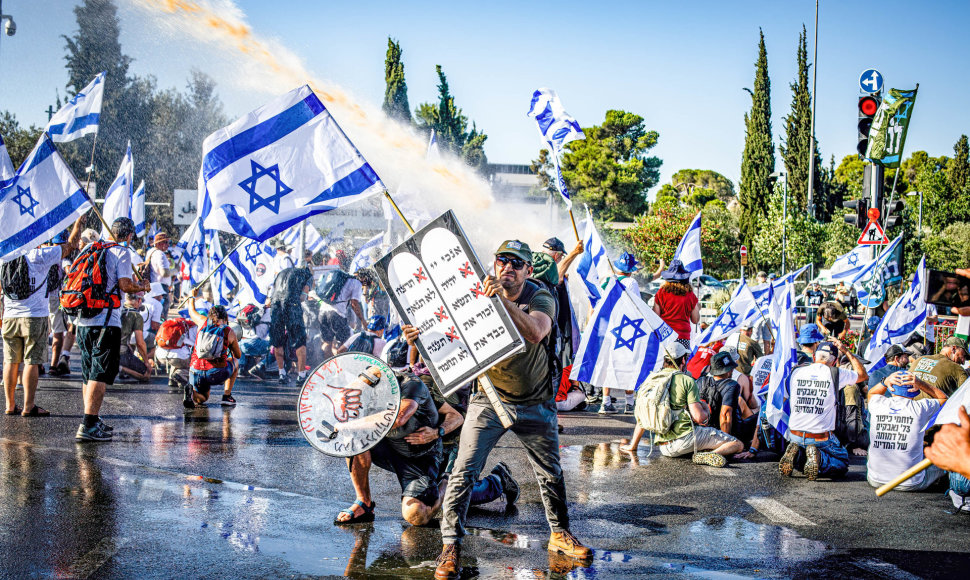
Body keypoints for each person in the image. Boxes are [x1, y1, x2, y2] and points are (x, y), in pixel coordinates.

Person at [409, 240, 590, 580]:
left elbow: (536, 331)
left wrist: (500, 303)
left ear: (528, 271)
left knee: (550, 472)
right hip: (490, 399)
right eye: (502, 261)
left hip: (535, 401)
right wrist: (420, 339)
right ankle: (450, 547)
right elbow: (454, 344)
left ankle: (559, 534)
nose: (507, 267)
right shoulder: (474, 296)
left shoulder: (540, 296)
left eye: (516, 263)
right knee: (463, 472)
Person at [74, 217, 151, 441]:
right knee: (99, 373)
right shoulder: (121, 252)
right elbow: (125, 286)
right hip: (105, 321)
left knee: (88, 373)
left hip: (83, 319)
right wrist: (143, 286)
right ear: (128, 236)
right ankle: (88, 424)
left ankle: (91, 419)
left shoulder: (91, 248)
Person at [3, 217, 82, 416]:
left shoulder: (5, 255)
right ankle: (29, 406)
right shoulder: (39, 255)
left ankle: (10, 405)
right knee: (31, 361)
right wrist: (78, 222)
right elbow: (71, 245)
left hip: (10, 316)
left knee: (10, 361)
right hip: (34, 316)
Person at [620, 343, 743, 465]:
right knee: (737, 444)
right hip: (685, 440)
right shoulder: (686, 380)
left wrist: (633, 445)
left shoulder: (652, 378)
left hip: (664, 447)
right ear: (683, 360)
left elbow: (644, 414)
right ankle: (710, 454)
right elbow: (699, 417)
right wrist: (705, 408)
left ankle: (705, 450)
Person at [780, 340, 868, 480]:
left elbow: (784, 398)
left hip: (794, 433)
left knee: (802, 462)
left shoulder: (795, 372)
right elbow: (863, 375)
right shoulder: (836, 373)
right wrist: (846, 351)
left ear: (814, 357)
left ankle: (798, 454)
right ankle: (820, 458)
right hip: (820, 436)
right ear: (834, 361)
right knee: (842, 462)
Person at [866, 371, 948, 491]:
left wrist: (884, 382)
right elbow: (944, 398)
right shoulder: (920, 408)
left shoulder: (878, 403)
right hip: (911, 483)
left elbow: (872, 393)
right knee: (947, 458)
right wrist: (921, 383)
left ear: (891, 389)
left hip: (875, 480)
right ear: (914, 392)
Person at [185, 299, 240, 408]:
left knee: (202, 398)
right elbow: (238, 355)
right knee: (235, 362)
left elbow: (191, 311)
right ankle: (227, 396)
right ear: (225, 318)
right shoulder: (229, 331)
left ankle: (191, 394)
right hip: (215, 373)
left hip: (195, 372)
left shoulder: (202, 321)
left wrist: (192, 297)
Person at [697, 352, 756, 447]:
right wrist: (726, 441)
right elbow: (725, 414)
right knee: (760, 417)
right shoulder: (731, 385)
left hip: (705, 432)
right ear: (727, 371)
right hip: (729, 433)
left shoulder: (700, 381)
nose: (733, 370)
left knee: (741, 403)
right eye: (731, 368)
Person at [268, 265, 313, 385]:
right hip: (291, 304)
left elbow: (271, 294)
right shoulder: (307, 275)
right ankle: (302, 376)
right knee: (300, 340)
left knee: (278, 340)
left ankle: (282, 374)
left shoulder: (282, 272)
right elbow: (303, 297)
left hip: (275, 304)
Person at [316, 265, 366, 361]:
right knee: (346, 342)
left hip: (322, 312)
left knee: (327, 342)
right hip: (336, 314)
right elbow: (354, 304)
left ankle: (327, 368)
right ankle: (343, 368)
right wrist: (363, 320)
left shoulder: (343, 278)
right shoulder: (356, 283)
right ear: (362, 277)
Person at [652, 259, 700, 351]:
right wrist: (697, 307)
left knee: (665, 363)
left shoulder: (661, 293)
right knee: (681, 364)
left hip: (665, 336)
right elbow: (695, 320)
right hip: (683, 337)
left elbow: (656, 317)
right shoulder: (690, 295)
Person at [118, 293, 153, 382]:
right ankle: (119, 368)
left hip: (104, 351)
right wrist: (146, 361)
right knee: (146, 374)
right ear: (139, 301)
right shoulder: (136, 316)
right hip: (120, 354)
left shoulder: (117, 309)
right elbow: (140, 343)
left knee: (128, 348)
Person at [237, 304, 270, 379]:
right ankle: (259, 366)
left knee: (237, 343)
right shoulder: (269, 311)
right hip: (255, 342)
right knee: (276, 349)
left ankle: (241, 369)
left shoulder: (251, 308)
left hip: (242, 343)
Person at [145, 232, 174, 315]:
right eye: (166, 242)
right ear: (159, 243)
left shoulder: (150, 252)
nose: (168, 245)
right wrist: (175, 270)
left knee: (154, 314)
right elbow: (164, 273)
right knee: (162, 315)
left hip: (153, 287)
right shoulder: (160, 254)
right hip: (161, 289)